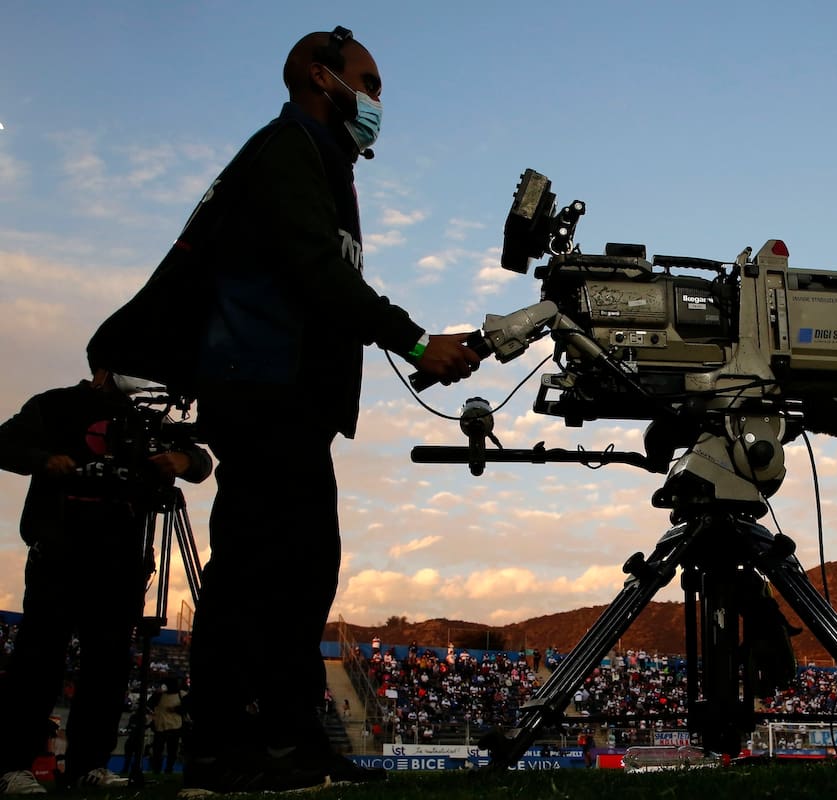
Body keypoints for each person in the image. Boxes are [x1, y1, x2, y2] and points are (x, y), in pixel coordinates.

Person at [88, 26, 481, 796]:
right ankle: (222, 750)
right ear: (317, 74)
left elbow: (322, 282)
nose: (374, 102)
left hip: (292, 398)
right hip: (262, 389)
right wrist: (410, 340)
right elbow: (311, 269)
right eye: (367, 84)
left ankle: (290, 743)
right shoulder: (286, 150)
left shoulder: (322, 160)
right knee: (256, 572)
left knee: (301, 574)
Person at [0, 368, 213, 795]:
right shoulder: (56, 404)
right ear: (102, 370)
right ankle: (13, 765)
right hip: (59, 550)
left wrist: (185, 460)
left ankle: (89, 765)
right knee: (39, 659)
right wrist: (44, 461)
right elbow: (5, 442)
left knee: (109, 665)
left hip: (122, 560)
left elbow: (201, 460)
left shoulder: (145, 417)